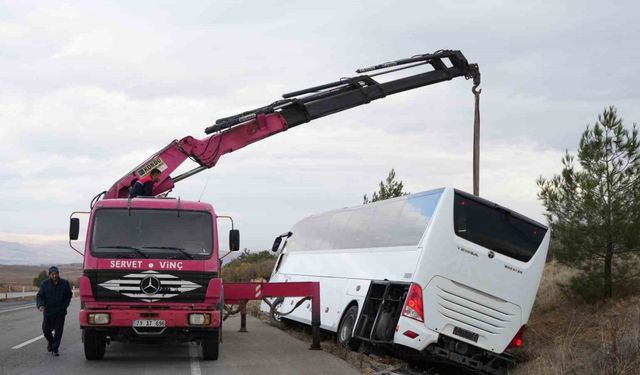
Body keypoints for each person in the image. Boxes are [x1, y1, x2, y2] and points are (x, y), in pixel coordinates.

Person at [36, 266, 72, 356]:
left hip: (60, 312)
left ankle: (55, 349)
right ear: (50, 275)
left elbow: (69, 295)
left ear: (58, 274)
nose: (55, 276)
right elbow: (40, 296)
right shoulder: (45, 284)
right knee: (46, 331)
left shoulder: (65, 283)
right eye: (53, 274)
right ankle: (51, 342)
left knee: (58, 331)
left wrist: (65, 305)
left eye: (56, 274)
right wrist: (40, 305)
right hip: (48, 311)